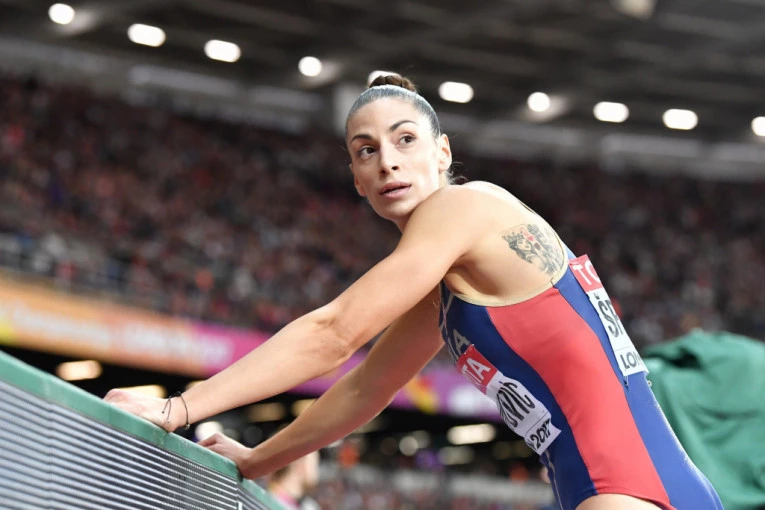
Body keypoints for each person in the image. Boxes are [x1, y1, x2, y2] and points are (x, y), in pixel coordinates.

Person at [106, 75, 723, 510]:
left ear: (442, 151)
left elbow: (335, 332)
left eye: (405, 140)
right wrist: (257, 460)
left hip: (626, 488)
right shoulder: (446, 285)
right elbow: (365, 388)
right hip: (630, 486)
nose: (388, 163)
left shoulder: (464, 208)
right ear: (356, 178)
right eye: (366, 151)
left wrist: (178, 408)